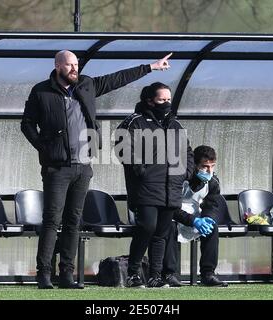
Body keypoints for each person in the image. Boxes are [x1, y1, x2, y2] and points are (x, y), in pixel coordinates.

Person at [21, 50, 173, 289]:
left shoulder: (87, 85)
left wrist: (151, 67)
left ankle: (67, 275)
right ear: (57, 66)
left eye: (76, 65)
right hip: (57, 168)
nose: (74, 69)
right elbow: (27, 124)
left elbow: (118, 78)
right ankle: (44, 274)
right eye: (69, 65)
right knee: (52, 220)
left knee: (73, 221)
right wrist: (44, 148)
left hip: (83, 166)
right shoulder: (41, 91)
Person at [116, 82, 194, 288]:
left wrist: (186, 172)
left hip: (171, 188)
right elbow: (122, 146)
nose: (167, 103)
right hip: (146, 188)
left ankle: (155, 276)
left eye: (168, 99)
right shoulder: (135, 121)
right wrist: (141, 170)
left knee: (161, 233)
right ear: (149, 100)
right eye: (162, 99)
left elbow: (188, 152)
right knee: (147, 227)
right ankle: (133, 273)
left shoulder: (176, 125)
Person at [162, 145, 228, 287]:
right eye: (205, 167)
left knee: (212, 228)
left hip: (196, 216)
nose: (209, 171)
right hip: (174, 215)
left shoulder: (213, 182)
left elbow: (213, 204)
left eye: (212, 166)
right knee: (169, 226)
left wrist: (208, 218)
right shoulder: (177, 177)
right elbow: (170, 207)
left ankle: (208, 274)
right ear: (194, 165)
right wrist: (193, 220)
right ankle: (169, 274)